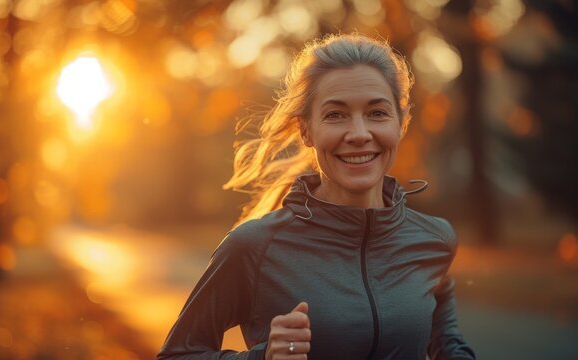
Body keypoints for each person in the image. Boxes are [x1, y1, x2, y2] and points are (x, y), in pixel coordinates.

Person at [157, 33, 476, 360]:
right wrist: (260, 358)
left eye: (377, 113)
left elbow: (444, 340)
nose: (359, 134)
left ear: (402, 123)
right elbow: (177, 355)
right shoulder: (254, 247)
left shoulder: (434, 239)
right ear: (306, 130)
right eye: (335, 115)